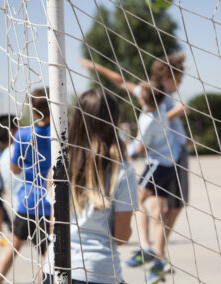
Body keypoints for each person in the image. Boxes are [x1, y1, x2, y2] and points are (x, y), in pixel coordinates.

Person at [80, 53, 189, 281]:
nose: (179, 85)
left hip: (170, 158)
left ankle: (155, 255)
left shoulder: (154, 98)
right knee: (155, 208)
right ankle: (153, 254)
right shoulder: (157, 97)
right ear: (166, 77)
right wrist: (97, 67)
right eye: (177, 80)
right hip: (169, 159)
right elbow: (120, 81)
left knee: (169, 209)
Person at [43, 89, 138, 284]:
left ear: (76, 120)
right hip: (99, 272)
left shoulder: (59, 166)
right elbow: (121, 237)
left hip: (54, 270)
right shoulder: (122, 171)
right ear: (116, 120)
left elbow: (54, 229)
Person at [126, 82, 185, 283]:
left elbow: (140, 149)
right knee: (158, 212)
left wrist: (125, 151)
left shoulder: (148, 121)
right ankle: (160, 262)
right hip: (170, 161)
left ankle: (146, 248)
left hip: (158, 164)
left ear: (143, 100)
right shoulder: (160, 105)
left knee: (136, 198)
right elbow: (146, 91)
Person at [0, 88, 52, 284]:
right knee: (47, 255)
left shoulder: (23, 134)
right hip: (49, 205)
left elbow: (15, 169)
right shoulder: (59, 134)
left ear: (33, 110)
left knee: (13, 246)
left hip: (27, 201)